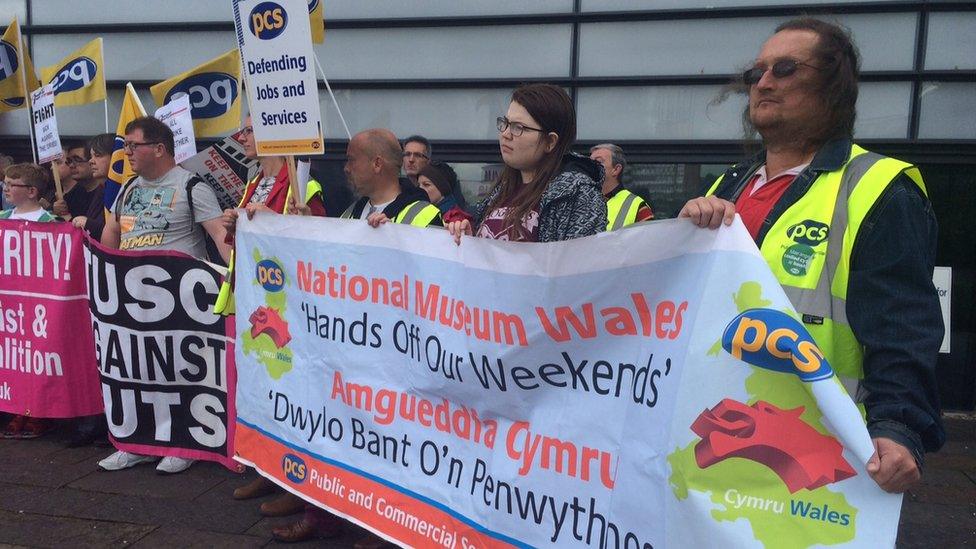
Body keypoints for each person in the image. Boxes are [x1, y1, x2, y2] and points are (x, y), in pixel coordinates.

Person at [678, 18, 944, 493]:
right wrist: (683, 237)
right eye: (755, 73)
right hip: (725, 435)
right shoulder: (728, 185)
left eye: (784, 69)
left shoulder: (878, 189)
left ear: (833, 87)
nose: (763, 83)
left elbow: (903, 325)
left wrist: (899, 426)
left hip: (824, 457)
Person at [272, 129, 441, 546]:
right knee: (336, 433)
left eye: (351, 160)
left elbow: (435, 287)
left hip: (395, 359)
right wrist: (308, 231)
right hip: (349, 349)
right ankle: (322, 514)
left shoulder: (422, 215)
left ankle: (384, 524)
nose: (345, 168)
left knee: (389, 444)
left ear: (377, 164)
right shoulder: (352, 213)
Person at [98, 116, 230, 475]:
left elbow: (219, 235)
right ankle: (137, 444)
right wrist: (104, 271)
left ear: (158, 148)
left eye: (132, 146)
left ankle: (184, 444)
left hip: (179, 300)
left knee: (181, 372)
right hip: (131, 296)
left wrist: (238, 272)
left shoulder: (192, 187)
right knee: (136, 371)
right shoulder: (127, 188)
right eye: (126, 146)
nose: (127, 153)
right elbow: (112, 231)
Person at [219, 116, 328, 520]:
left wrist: (284, 220)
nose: (242, 138)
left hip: (283, 313)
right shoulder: (254, 182)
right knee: (258, 390)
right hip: (251, 303)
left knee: (287, 392)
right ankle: (266, 466)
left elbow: (317, 242)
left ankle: (293, 483)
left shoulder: (304, 183)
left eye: (249, 131)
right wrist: (237, 225)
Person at [447, 83, 606, 243]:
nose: (505, 134)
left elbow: (579, 264)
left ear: (550, 141)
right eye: (506, 123)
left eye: (518, 127)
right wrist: (467, 232)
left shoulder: (579, 196)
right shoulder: (502, 190)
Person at [1, 163, 57, 438]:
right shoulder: (2, 217)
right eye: (6, 183)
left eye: (13, 184)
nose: (6, 188)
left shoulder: (50, 223)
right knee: (13, 357)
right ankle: (15, 408)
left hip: (38, 303)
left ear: (32, 191)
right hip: (9, 302)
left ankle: (36, 412)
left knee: (35, 357)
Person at [589, 143, 654, 229]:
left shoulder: (637, 206)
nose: (589, 166)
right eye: (589, 162)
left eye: (598, 161)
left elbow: (649, 240)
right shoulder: (580, 201)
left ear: (616, 169)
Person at [52, 142, 94, 222]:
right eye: (69, 161)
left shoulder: (104, 193)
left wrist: (66, 216)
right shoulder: (70, 197)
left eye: (77, 160)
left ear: (92, 161)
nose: (71, 165)